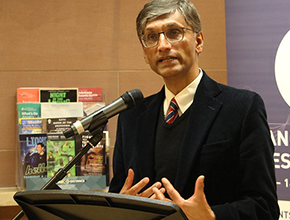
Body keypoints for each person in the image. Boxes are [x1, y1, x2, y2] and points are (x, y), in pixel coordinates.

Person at [108, 0, 280, 219]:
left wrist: (211, 216)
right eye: (152, 37)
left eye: (174, 32)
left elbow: (264, 207)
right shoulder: (131, 117)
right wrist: (118, 207)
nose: (163, 45)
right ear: (145, 52)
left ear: (198, 41)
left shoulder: (242, 108)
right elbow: (118, 196)